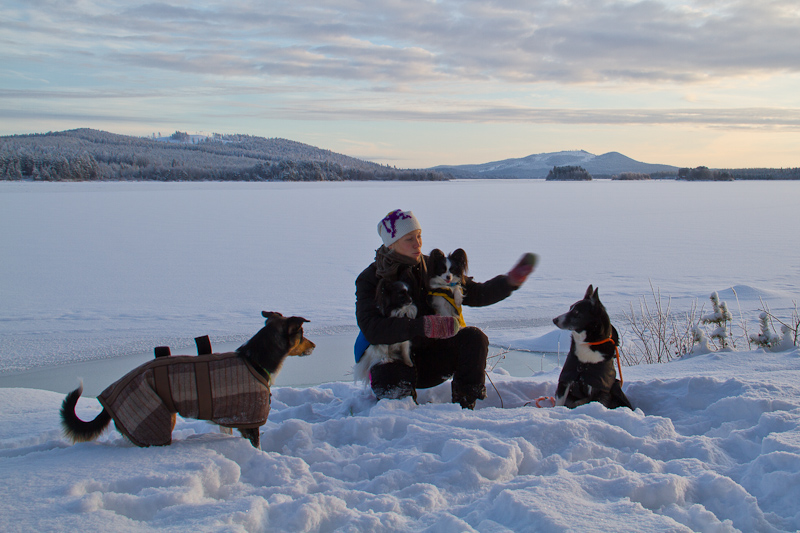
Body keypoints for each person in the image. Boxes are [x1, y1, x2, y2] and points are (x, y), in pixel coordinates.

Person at [355, 209, 537, 409]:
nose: (417, 243)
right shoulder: (370, 279)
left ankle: (465, 407)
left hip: (430, 358)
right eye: (409, 239)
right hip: (391, 359)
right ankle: (399, 414)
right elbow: (371, 328)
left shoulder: (432, 267)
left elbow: (475, 293)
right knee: (391, 378)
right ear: (391, 244)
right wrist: (422, 326)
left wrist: (509, 282)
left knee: (473, 338)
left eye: (419, 236)